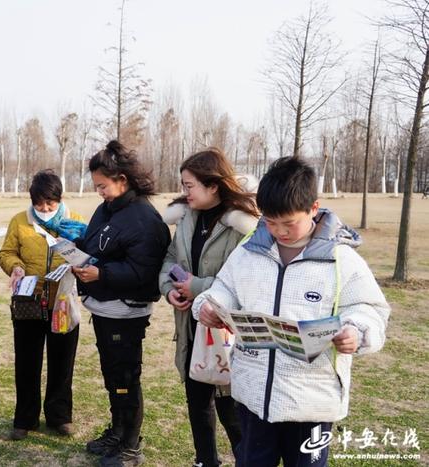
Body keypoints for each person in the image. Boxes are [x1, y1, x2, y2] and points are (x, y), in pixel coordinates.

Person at [194, 156, 391, 467]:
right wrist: (206, 306)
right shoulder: (248, 250)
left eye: (289, 223)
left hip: (311, 401)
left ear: (314, 208)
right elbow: (223, 289)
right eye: (271, 222)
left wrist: (357, 330)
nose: (279, 231)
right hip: (253, 396)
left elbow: (371, 310)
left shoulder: (341, 260)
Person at [74, 140, 171, 467]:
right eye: (96, 186)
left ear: (123, 180)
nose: (98, 192)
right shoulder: (108, 208)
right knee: (112, 376)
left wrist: (99, 273)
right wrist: (75, 251)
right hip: (102, 307)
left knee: (126, 378)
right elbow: (97, 245)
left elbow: (144, 271)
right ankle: (117, 432)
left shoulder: (145, 218)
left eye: (102, 185)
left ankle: (131, 446)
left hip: (125, 311)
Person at [159, 148, 258, 467]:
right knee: (197, 402)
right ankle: (205, 461)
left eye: (189, 186)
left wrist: (197, 286)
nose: (184, 192)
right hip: (190, 327)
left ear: (213, 186)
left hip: (226, 332)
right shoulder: (186, 218)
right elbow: (170, 259)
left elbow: (243, 280)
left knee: (232, 410)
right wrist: (168, 289)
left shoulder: (241, 227)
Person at [0, 170, 86, 441]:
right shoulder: (19, 222)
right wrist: (15, 268)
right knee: (27, 362)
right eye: (40, 204)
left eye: (50, 203)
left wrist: (79, 264)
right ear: (32, 200)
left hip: (62, 302)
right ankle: (25, 418)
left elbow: (87, 254)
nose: (46, 209)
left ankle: (59, 416)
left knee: (62, 362)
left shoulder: (75, 221)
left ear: (60, 200)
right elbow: (7, 252)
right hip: (29, 301)